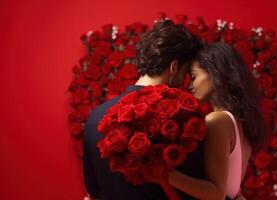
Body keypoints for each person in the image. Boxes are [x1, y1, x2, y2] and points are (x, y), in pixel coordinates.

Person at [83, 19, 204, 200]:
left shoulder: (95, 117)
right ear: (174, 67)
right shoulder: (181, 119)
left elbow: (94, 190)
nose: (185, 82)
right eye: (186, 73)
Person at [167, 42, 267, 200]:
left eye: (193, 76)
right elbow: (232, 191)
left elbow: (216, 194)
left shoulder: (217, 121)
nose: (190, 86)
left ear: (215, 73)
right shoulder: (239, 121)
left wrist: (165, 174)